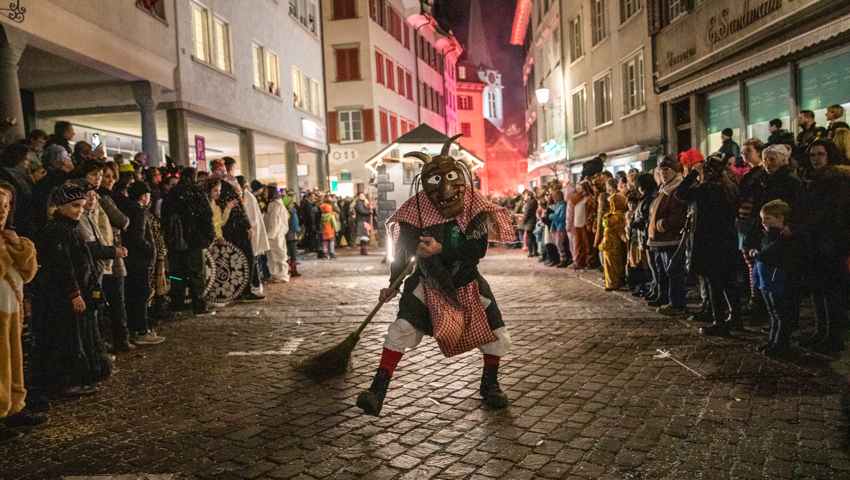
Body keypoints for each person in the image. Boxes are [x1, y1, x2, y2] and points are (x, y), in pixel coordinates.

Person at [356, 137, 515, 416]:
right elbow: (403, 254)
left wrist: (443, 247)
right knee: (401, 328)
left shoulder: (474, 208)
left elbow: (477, 249)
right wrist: (393, 284)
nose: (445, 190)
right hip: (427, 281)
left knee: (497, 333)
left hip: (466, 280)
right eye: (436, 182)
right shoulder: (414, 211)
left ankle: (490, 384)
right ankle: (377, 390)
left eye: (451, 179)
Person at [32, 181, 102, 398]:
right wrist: (74, 294)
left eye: (81, 206)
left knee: (73, 336)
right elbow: (64, 266)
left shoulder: (68, 228)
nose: (79, 210)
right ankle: (63, 383)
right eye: (74, 206)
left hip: (69, 293)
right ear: (60, 206)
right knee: (64, 339)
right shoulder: (58, 231)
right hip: (60, 297)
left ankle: (71, 379)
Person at [675, 154, 742, 334]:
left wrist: (691, 175)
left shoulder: (707, 190)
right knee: (728, 282)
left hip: (711, 243)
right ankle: (736, 318)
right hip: (727, 240)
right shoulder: (729, 188)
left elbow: (680, 192)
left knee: (715, 284)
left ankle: (719, 322)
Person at [795, 140, 850, 354]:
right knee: (817, 289)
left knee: (831, 291)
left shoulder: (837, 180)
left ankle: (833, 337)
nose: (815, 159)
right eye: (812, 155)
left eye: (820, 154)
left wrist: (803, 225)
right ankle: (820, 331)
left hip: (830, 242)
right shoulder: (811, 179)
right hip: (814, 241)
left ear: (830, 156)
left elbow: (831, 213)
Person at [0, 182, 43, 442]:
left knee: (14, 361)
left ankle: (14, 406)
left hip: (11, 310)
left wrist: (17, 245)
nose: (2, 212)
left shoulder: (9, 238)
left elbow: (29, 272)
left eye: (5, 206)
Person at [160, 167, 216, 316]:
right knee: (197, 274)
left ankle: (176, 304)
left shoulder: (172, 194)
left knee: (176, 274)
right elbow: (206, 217)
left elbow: (164, 217)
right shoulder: (197, 193)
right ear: (194, 177)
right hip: (195, 241)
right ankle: (198, 306)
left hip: (175, 242)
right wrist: (209, 236)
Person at [751, 200, 800, 358]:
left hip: (778, 281)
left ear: (780, 219)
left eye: (768, 219)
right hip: (767, 281)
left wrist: (757, 254)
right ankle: (773, 340)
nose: (764, 222)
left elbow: (772, 256)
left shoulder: (783, 238)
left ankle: (781, 344)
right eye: (763, 219)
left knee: (781, 314)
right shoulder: (767, 235)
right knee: (773, 313)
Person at [119, 181, 165, 345]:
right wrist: (150, 249)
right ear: (144, 196)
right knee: (141, 296)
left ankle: (135, 329)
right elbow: (138, 237)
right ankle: (141, 330)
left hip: (132, 261)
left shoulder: (129, 210)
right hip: (139, 261)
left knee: (134, 296)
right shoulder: (138, 212)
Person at [97, 161, 132, 351]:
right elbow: (123, 220)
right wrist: (116, 227)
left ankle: (120, 339)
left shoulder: (108, 197)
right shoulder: (102, 198)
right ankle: (120, 340)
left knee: (116, 300)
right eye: (106, 176)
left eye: (112, 177)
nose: (109, 180)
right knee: (115, 301)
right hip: (109, 254)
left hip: (113, 252)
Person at [647, 155, 688, 315]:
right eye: (661, 169)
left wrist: (664, 224)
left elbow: (678, 215)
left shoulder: (675, 189)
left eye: (667, 169)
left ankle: (677, 303)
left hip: (670, 238)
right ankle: (671, 300)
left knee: (674, 271)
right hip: (662, 239)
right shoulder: (664, 188)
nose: (663, 172)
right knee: (668, 271)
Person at [238, 176, 269, 297]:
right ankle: (255, 284)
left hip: (252, 233)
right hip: (252, 232)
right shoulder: (248, 196)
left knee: (253, 260)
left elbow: (252, 218)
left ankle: (255, 284)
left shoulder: (247, 197)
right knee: (254, 259)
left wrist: (248, 227)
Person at [31, 145, 73, 230]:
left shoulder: (40, 183)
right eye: (69, 156)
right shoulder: (67, 182)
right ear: (64, 161)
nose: (71, 159)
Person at [0, 143, 35, 239]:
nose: (28, 163)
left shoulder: (18, 176)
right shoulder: (6, 177)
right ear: (18, 159)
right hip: (15, 225)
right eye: (26, 159)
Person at [599, 194, 627, 291]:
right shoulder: (615, 215)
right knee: (611, 264)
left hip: (612, 244)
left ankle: (613, 283)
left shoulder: (616, 217)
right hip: (610, 244)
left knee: (612, 264)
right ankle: (612, 282)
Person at [263, 186, 290, 283]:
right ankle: (275, 274)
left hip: (275, 235)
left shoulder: (276, 205)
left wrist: (270, 234)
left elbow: (275, 221)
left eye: (266, 191)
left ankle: (281, 275)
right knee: (272, 256)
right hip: (272, 234)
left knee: (278, 254)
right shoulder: (272, 204)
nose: (264, 192)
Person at [571, 181, 597, 269]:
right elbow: (572, 201)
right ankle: (579, 261)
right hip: (577, 224)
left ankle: (589, 261)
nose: (580, 191)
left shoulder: (590, 199)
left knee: (587, 244)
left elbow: (591, 212)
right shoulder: (579, 198)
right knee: (579, 244)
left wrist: (589, 222)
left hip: (584, 224)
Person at [283, 195, 301, 277]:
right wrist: (297, 230)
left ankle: (286, 270)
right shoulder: (292, 212)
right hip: (292, 235)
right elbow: (295, 224)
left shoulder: (284, 212)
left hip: (285, 236)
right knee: (293, 254)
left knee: (286, 253)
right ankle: (293, 270)